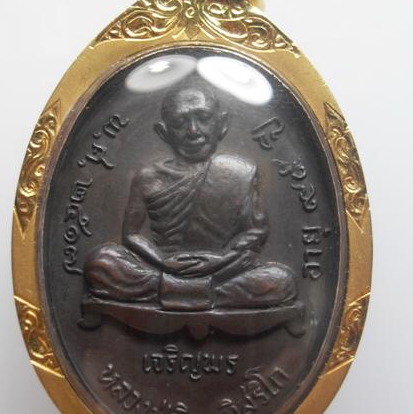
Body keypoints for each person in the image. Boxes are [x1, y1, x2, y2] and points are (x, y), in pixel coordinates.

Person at [84, 77, 298, 311]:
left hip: (222, 271)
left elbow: (256, 231)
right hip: (161, 268)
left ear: (222, 124)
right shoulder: (148, 176)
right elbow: (132, 234)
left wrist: (222, 259)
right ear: (164, 132)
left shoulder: (240, 171)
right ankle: (204, 293)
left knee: (281, 280)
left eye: (203, 118)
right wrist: (163, 261)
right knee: (101, 263)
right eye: (180, 122)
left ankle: (175, 292)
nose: (194, 131)